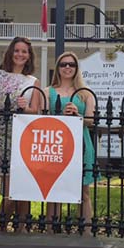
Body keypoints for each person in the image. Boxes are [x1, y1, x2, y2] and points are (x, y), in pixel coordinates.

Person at [0, 36, 40, 231]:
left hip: (24, 135)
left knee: (24, 183)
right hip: (2, 134)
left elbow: (36, 111)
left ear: (29, 56)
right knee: (9, 187)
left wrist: (27, 109)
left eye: (24, 51)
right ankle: (3, 224)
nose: (20, 54)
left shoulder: (33, 81)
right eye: (17, 50)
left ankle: (22, 227)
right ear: (11, 52)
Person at [43, 51, 96, 235]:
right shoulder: (47, 92)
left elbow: (91, 121)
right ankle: (51, 231)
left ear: (76, 68)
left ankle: (87, 232)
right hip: (55, 146)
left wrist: (77, 115)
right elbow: (41, 120)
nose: (67, 67)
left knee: (83, 192)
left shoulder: (85, 94)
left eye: (71, 65)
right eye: (63, 64)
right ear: (57, 68)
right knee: (53, 190)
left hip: (81, 144)